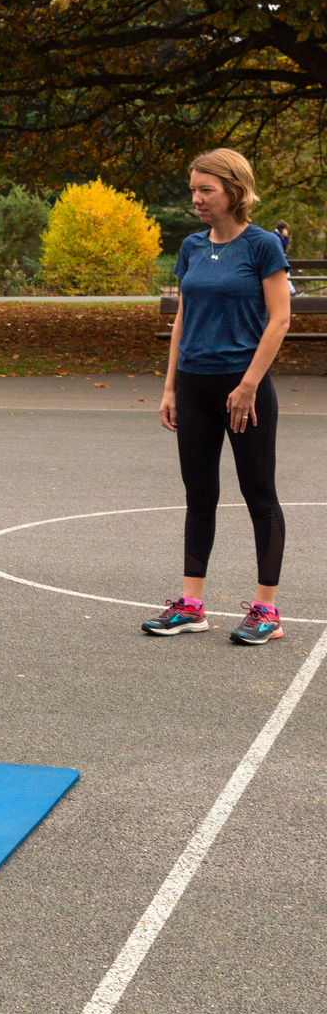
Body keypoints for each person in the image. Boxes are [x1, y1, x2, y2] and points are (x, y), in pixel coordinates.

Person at [144, 148, 291, 645]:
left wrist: (249, 383)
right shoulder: (190, 247)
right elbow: (183, 319)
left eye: (206, 189)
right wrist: (169, 386)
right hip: (194, 384)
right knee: (199, 494)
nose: (196, 198)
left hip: (243, 389)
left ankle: (266, 611)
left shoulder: (263, 245)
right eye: (193, 189)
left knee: (259, 495)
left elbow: (281, 319)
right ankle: (191, 606)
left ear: (234, 190)